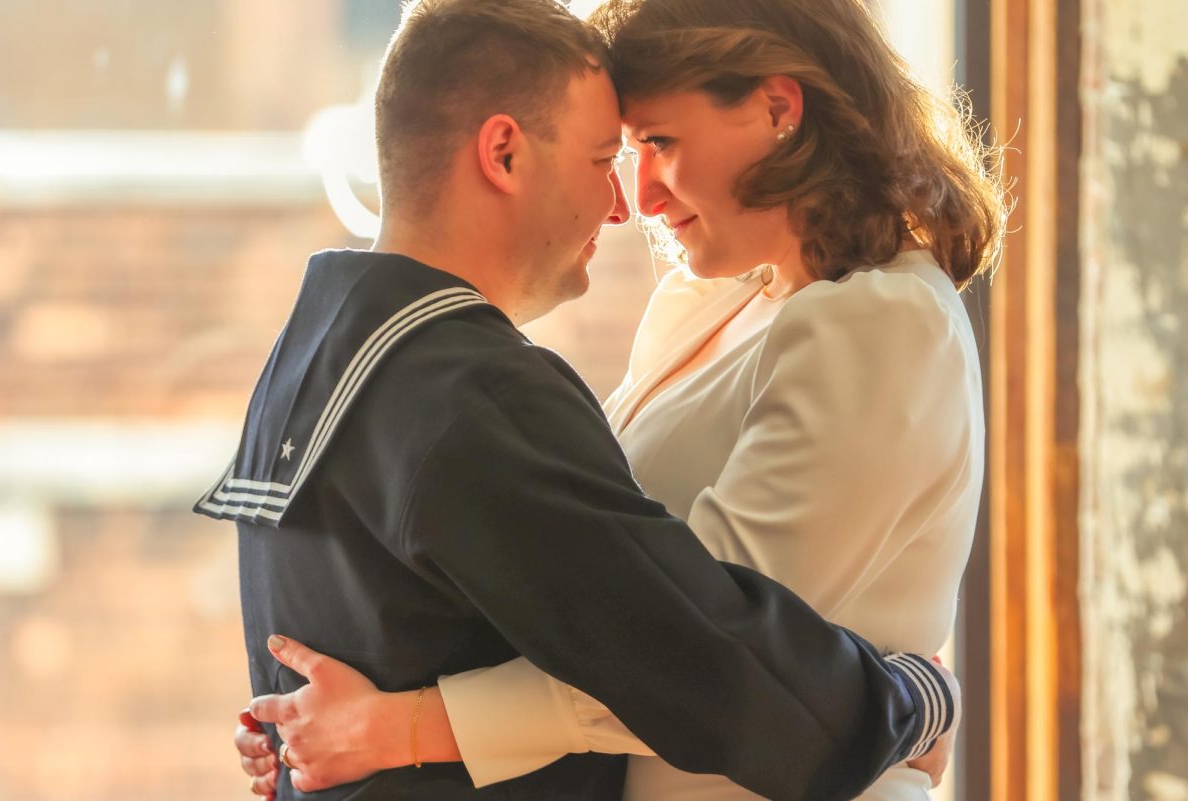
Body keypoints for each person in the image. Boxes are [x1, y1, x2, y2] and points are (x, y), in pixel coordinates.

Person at [231, 0, 1005, 798]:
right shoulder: (702, 308)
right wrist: (298, 722)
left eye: (659, 143)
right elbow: (614, 607)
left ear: (778, 108)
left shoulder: (879, 324)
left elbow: (703, 659)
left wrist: (405, 726)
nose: (634, 200)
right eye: (620, 153)